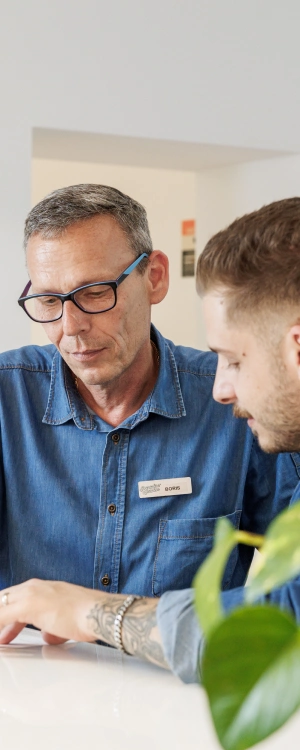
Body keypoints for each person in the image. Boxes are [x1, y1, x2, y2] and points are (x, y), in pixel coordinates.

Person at [0, 187, 297, 681]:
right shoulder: (7, 399)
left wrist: (91, 613)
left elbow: (289, 610)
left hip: (179, 724)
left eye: (94, 293)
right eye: (49, 300)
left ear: (154, 277)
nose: (69, 327)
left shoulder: (248, 407)